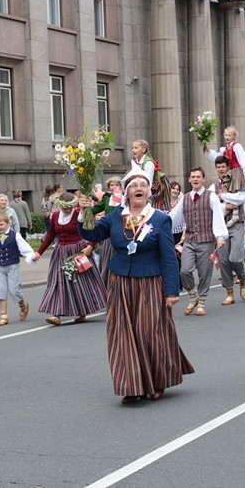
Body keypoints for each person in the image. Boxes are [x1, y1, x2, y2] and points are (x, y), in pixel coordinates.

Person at [77, 165, 194, 404]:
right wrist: (83, 213)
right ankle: (132, 385)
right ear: (127, 192)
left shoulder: (160, 219)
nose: (138, 189)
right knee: (121, 334)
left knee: (150, 332)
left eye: (142, 186)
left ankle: (157, 380)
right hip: (119, 282)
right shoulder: (115, 218)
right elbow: (92, 234)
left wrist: (172, 291)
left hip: (150, 282)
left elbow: (169, 258)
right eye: (134, 186)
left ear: (148, 192)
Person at [32, 192, 106, 325]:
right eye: (65, 208)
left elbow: (94, 231)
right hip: (60, 252)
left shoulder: (80, 214)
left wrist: (90, 246)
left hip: (77, 251)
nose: (67, 210)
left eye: (69, 208)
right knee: (58, 281)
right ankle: (56, 314)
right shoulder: (55, 216)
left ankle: (82, 311)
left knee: (79, 282)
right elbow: (50, 235)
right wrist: (39, 252)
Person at [169, 166, 227, 316]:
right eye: (193, 177)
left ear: (203, 179)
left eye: (198, 177)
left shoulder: (211, 196)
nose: (195, 179)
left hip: (206, 240)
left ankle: (201, 302)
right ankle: (192, 296)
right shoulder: (185, 198)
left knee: (204, 273)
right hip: (189, 240)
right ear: (189, 179)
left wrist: (220, 236)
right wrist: (161, 226)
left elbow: (218, 217)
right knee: (185, 270)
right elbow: (174, 217)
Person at [209, 155, 245, 305]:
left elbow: (240, 198)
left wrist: (222, 196)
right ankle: (229, 292)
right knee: (224, 260)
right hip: (221, 226)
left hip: (237, 223)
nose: (221, 169)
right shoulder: (213, 186)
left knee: (235, 257)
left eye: (223, 167)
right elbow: (210, 204)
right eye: (218, 167)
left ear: (228, 167)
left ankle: (242, 281)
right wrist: (225, 205)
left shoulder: (237, 180)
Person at [0, 211, 34, 326]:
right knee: (1, 290)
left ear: (8, 223)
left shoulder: (15, 235)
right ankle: (4, 315)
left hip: (12, 266)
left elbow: (25, 249)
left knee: (14, 290)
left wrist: (31, 257)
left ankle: (23, 306)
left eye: (1, 224)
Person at [90, 177, 124, 283]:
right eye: (112, 185)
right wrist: (84, 208)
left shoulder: (125, 199)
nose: (114, 187)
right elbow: (93, 210)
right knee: (106, 262)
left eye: (117, 184)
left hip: (122, 235)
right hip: (108, 237)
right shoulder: (107, 200)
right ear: (109, 187)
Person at [207, 126, 245, 193]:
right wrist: (208, 149)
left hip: (236, 171)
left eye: (229, 135)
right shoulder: (225, 149)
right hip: (229, 172)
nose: (227, 137)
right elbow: (217, 157)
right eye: (225, 135)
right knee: (227, 188)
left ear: (234, 137)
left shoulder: (236, 146)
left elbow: (243, 158)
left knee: (236, 189)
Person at [130, 139, 172, 211]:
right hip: (144, 185)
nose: (133, 150)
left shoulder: (148, 163)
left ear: (143, 149)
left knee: (156, 206)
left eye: (136, 148)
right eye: (132, 148)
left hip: (157, 187)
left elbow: (147, 181)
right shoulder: (135, 162)